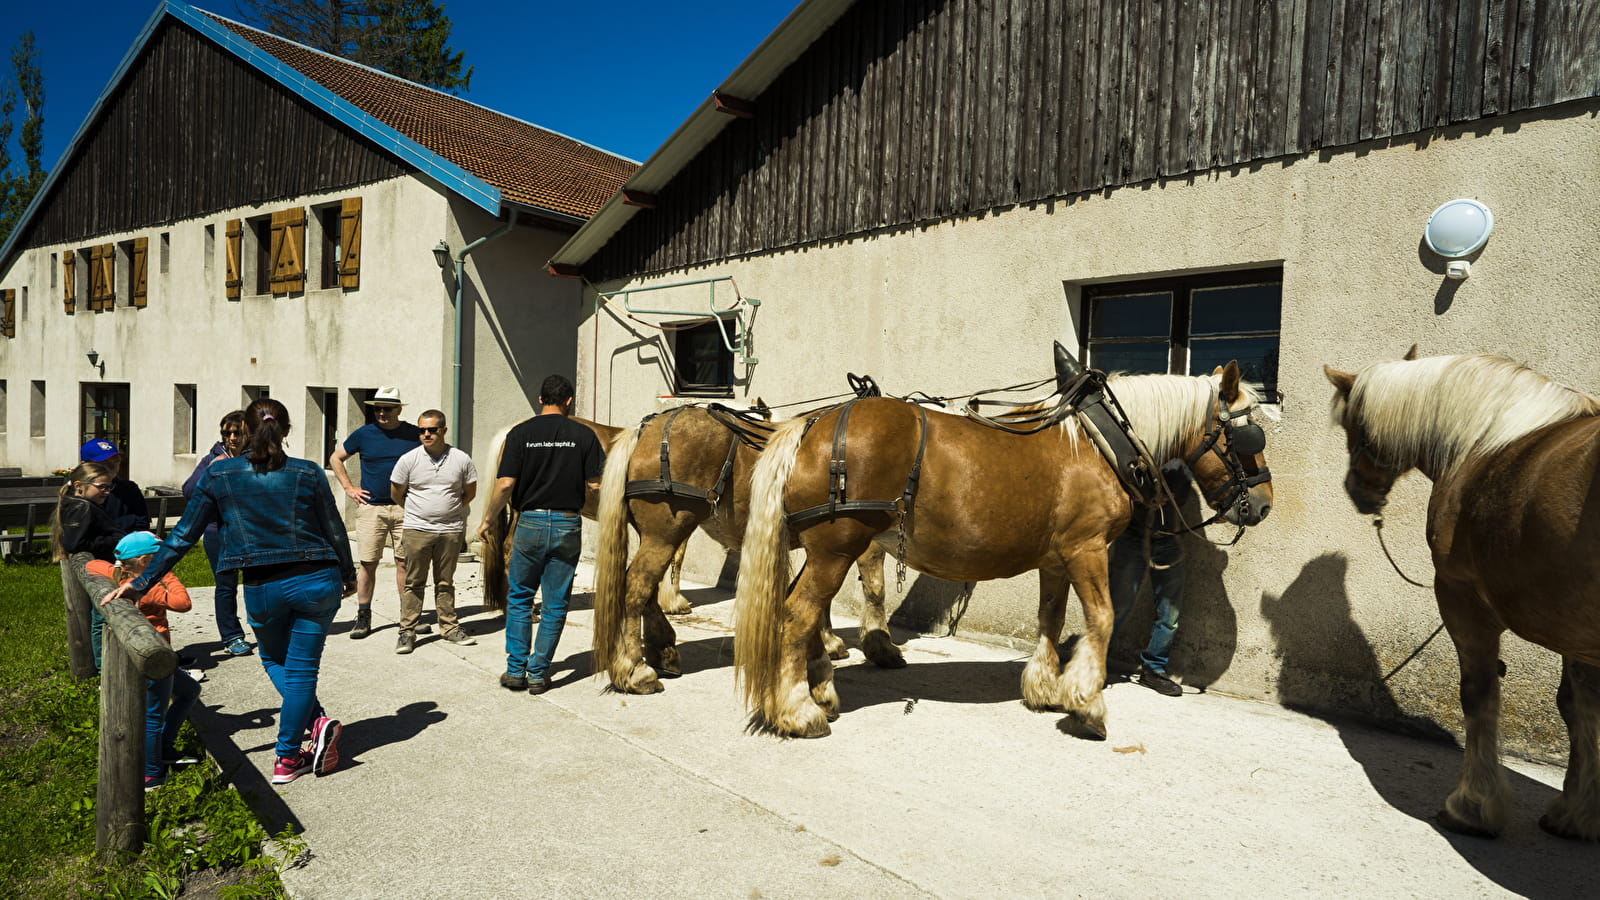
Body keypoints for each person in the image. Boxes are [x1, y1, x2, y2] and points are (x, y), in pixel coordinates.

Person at [105, 398, 355, 786]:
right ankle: (293, 752)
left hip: (263, 584)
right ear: (286, 431)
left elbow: (181, 537)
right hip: (318, 579)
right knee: (303, 668)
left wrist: (139, 583)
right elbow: (334, 527)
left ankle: (307, 735)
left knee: (275, 660)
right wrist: (348, 572)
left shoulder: (220, 474)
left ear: (245, 432)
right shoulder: (307, 472)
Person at [477, 375, 604, 694]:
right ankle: (538, 673)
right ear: (569, 401)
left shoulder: (521, 433)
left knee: (519, 597)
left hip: (529, 523)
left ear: (539, 399)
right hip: (566, 524)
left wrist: (489, 519)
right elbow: (596, 485)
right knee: (556, 602)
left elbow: (505, 484)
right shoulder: (584, 435)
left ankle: (515, 670)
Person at [91, 532, 202, 791]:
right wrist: (165, 573)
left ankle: (163, 747)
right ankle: (151, 774)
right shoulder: (148, 588)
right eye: (160, 557)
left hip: (150, 655)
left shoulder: (118, 575)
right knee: (152, 715)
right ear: (144, 561)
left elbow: (91, 564)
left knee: (190, 690)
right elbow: (183, 603)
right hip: (153, 658)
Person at [330, 386, 421, 640]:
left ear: (399, 410)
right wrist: (349, 488)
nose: (382, 413)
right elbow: (336, 458)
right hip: (372, 509)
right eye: (378, 408)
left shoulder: (414, 434)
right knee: (368, 563)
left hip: (406, 508)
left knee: (405, 562)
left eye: (387, 408)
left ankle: (408, 617)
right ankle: (363, 615)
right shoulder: (364, 434)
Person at [389, 409, 478, 654]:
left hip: (450, 530)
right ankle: (407, 631)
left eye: (432, 430)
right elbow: (396, 491)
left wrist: (451, 509)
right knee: (414, 582)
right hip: (417, 530)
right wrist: (415, 510)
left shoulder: (461, 459)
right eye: (422, 430)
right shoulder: (409, 459)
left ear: (444, 431)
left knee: (445, 582)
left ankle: (449, 627)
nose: (426, 434)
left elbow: (470, 491)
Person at [1108, 460, 1195, 698]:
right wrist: (1142, 498)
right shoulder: (1142, 443)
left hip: (1169, 539)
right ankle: (1095, 661)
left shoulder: (1187, 452)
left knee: (1170, 614)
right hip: (1132, 536)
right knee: (1117, 605)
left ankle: (1154, 670)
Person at [183, 411, 254, 658]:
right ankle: (232, 636)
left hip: (251, 531)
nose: (232, 438)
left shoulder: (257, 459)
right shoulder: (212, 459)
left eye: (238, 433)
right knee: (226, 586)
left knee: (258, 583)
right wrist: (210, 470)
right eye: (227, 433)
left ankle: (267, 631)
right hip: (218, 532)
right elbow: (189, 491)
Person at [80, 438, 150, 534]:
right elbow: (87, 531)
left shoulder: (129, 488)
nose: (112, 467)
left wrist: (107, 526)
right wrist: (129, 521)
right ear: (85, 465)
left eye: (116, 461)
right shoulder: (79, 490)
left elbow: (143, 523)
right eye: (104, 463)